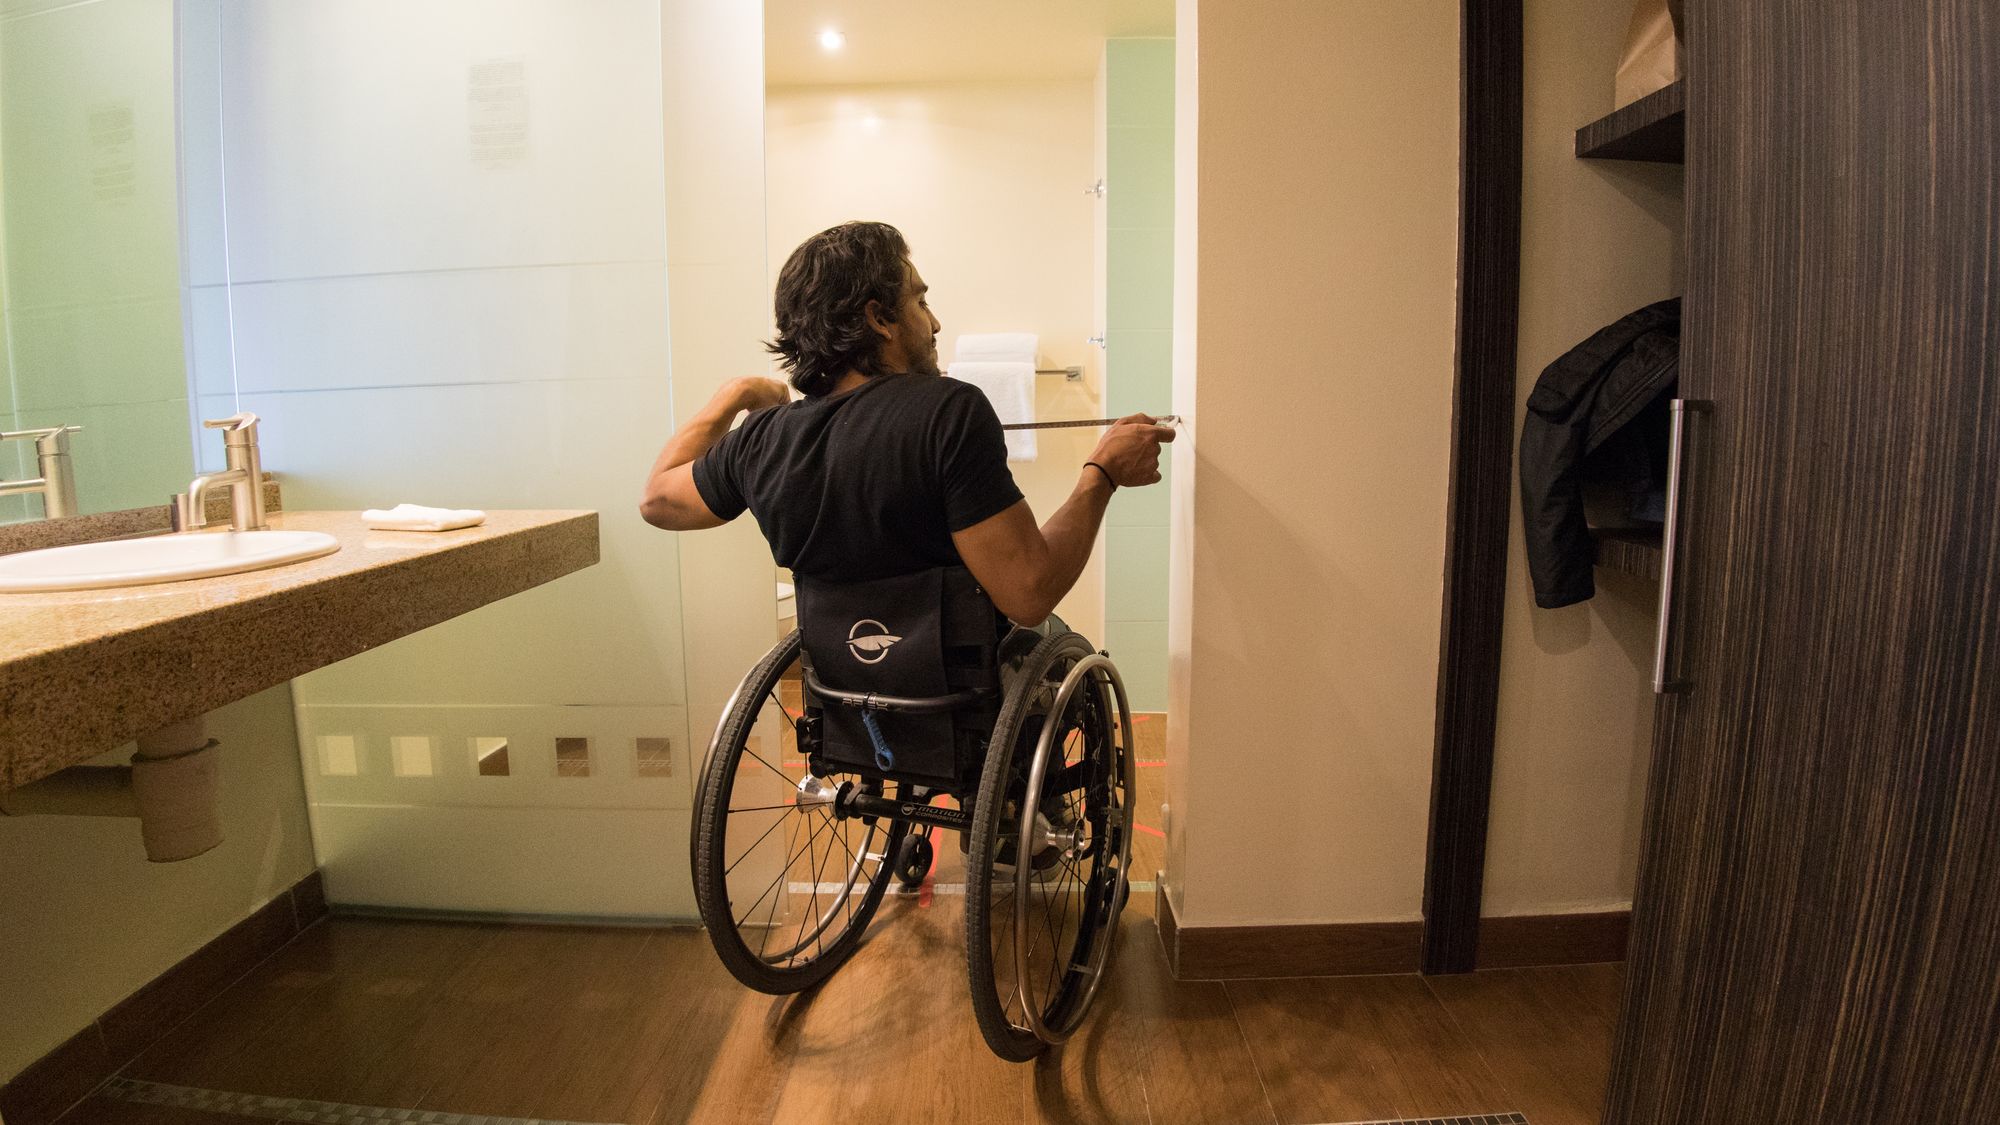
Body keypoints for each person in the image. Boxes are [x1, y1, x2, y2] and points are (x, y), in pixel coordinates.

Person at [639, 220, 1173, 627]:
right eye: (919, 300)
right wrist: (1100, 473)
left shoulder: (759, 439)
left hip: (840, 696)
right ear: (879, 318)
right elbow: (1028, 594)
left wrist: (731, 398)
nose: (935, 322)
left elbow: (657, 500)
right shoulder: (949, 410)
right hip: (956, 698)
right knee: (1066, 645)